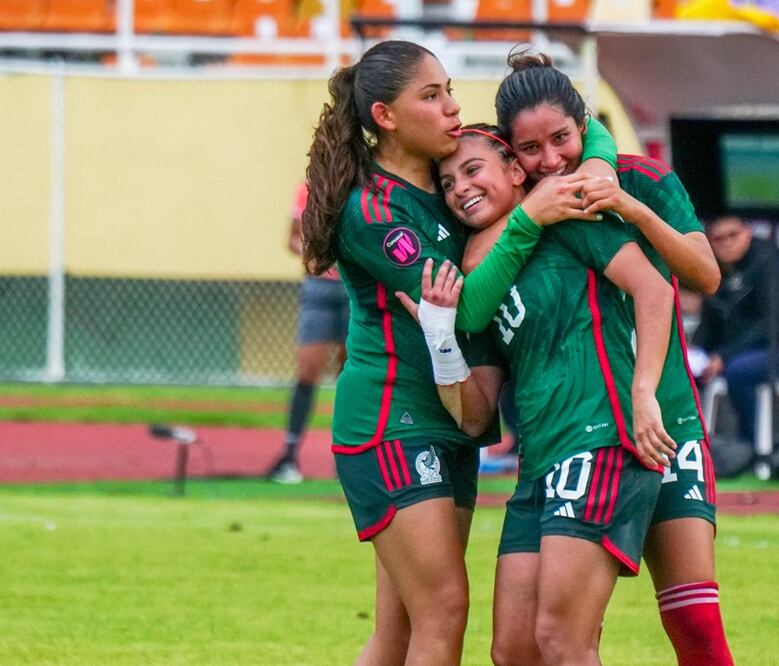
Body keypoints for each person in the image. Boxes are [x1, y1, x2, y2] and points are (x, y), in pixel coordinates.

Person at [301, 41, 604, 664]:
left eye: (450, 90)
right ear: (386, 117)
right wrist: (530, 218)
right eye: (432, 95)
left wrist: (564, 111)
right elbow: (460, 305)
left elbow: (571, 141)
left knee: (399, 634)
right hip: (393, 422)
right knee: (442, 611)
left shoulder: (455, 172)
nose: (453, 108)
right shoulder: (374, 210)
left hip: (451, 421)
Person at [403, 123, 677, 666]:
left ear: (513, 171)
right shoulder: (476, 277)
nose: (460, 188)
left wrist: (644, 392)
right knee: (514, 650)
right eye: (448, 181)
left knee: (563, 640)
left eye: (472, 170)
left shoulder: (565, 217)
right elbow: (475, 414)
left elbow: (654, 288)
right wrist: (439, 337)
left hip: (601, 441)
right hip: (540, 463)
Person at [494, 50, 734, 665]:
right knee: (562, 635)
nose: (551, 160)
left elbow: (704, 273)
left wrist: (629, 207)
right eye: (529, 149)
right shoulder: (524, 215)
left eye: (562, 138)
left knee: (696, 624)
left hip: (667, 422)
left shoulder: (643, 179)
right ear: (509, 153)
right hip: (583, 433)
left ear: (585, 127)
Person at [693, 216, 779, 449]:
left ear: (747, 233)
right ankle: (691, 446)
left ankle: (751, 446)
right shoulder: (713, 269)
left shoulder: (769, 262)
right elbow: (709, 323)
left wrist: (724, 357)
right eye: (718, 238)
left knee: (739, 370)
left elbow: (773, 323)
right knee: (684, 369)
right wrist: (696, 353)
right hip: (730, 353)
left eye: (733, 235)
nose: (726, 243)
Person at [265, 183, 347, 484]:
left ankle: (348, 459)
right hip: (320, 286)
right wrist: (313, 253)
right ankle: (288, 456)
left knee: (350, 376)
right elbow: (293, 239)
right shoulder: (308, 189)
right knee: (306, 372)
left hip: (355, 289)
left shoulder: (360, 186)